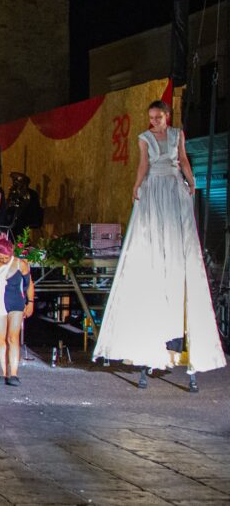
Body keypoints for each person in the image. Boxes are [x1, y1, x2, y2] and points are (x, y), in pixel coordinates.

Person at [93, 100, 225, 391]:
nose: (154, 121)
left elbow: (185, 160)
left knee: (179, 245)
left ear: (166, 117)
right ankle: (147, 350)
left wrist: (191, 182)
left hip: (174, 186)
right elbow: (143, 164)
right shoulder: (144, 138)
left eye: (158, 117)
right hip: (154, 186)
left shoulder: (178, 135)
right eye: (151, 117)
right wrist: (136, 186)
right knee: (152, 244)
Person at [0, 236, 34, 385]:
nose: (4, 260)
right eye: (1, 257)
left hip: (16, 302)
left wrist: (30, 303)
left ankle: (14, 374)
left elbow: (29, 284)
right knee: (2, 339)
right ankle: (4, 373)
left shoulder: (20, 264)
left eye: (6, 257)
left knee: (13, 337)